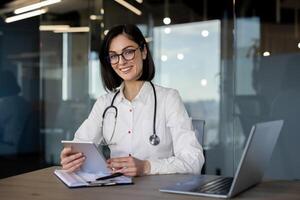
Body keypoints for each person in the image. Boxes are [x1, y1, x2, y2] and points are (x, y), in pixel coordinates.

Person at [60, 24, 204, 177]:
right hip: (116, 189)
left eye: (128, 52)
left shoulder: (169, 99)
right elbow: (79, 147)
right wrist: (71, 158)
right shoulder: (104, 104)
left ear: (143, 51)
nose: (121, 62)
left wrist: (147, 166)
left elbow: (193, 161)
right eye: (114, 56)